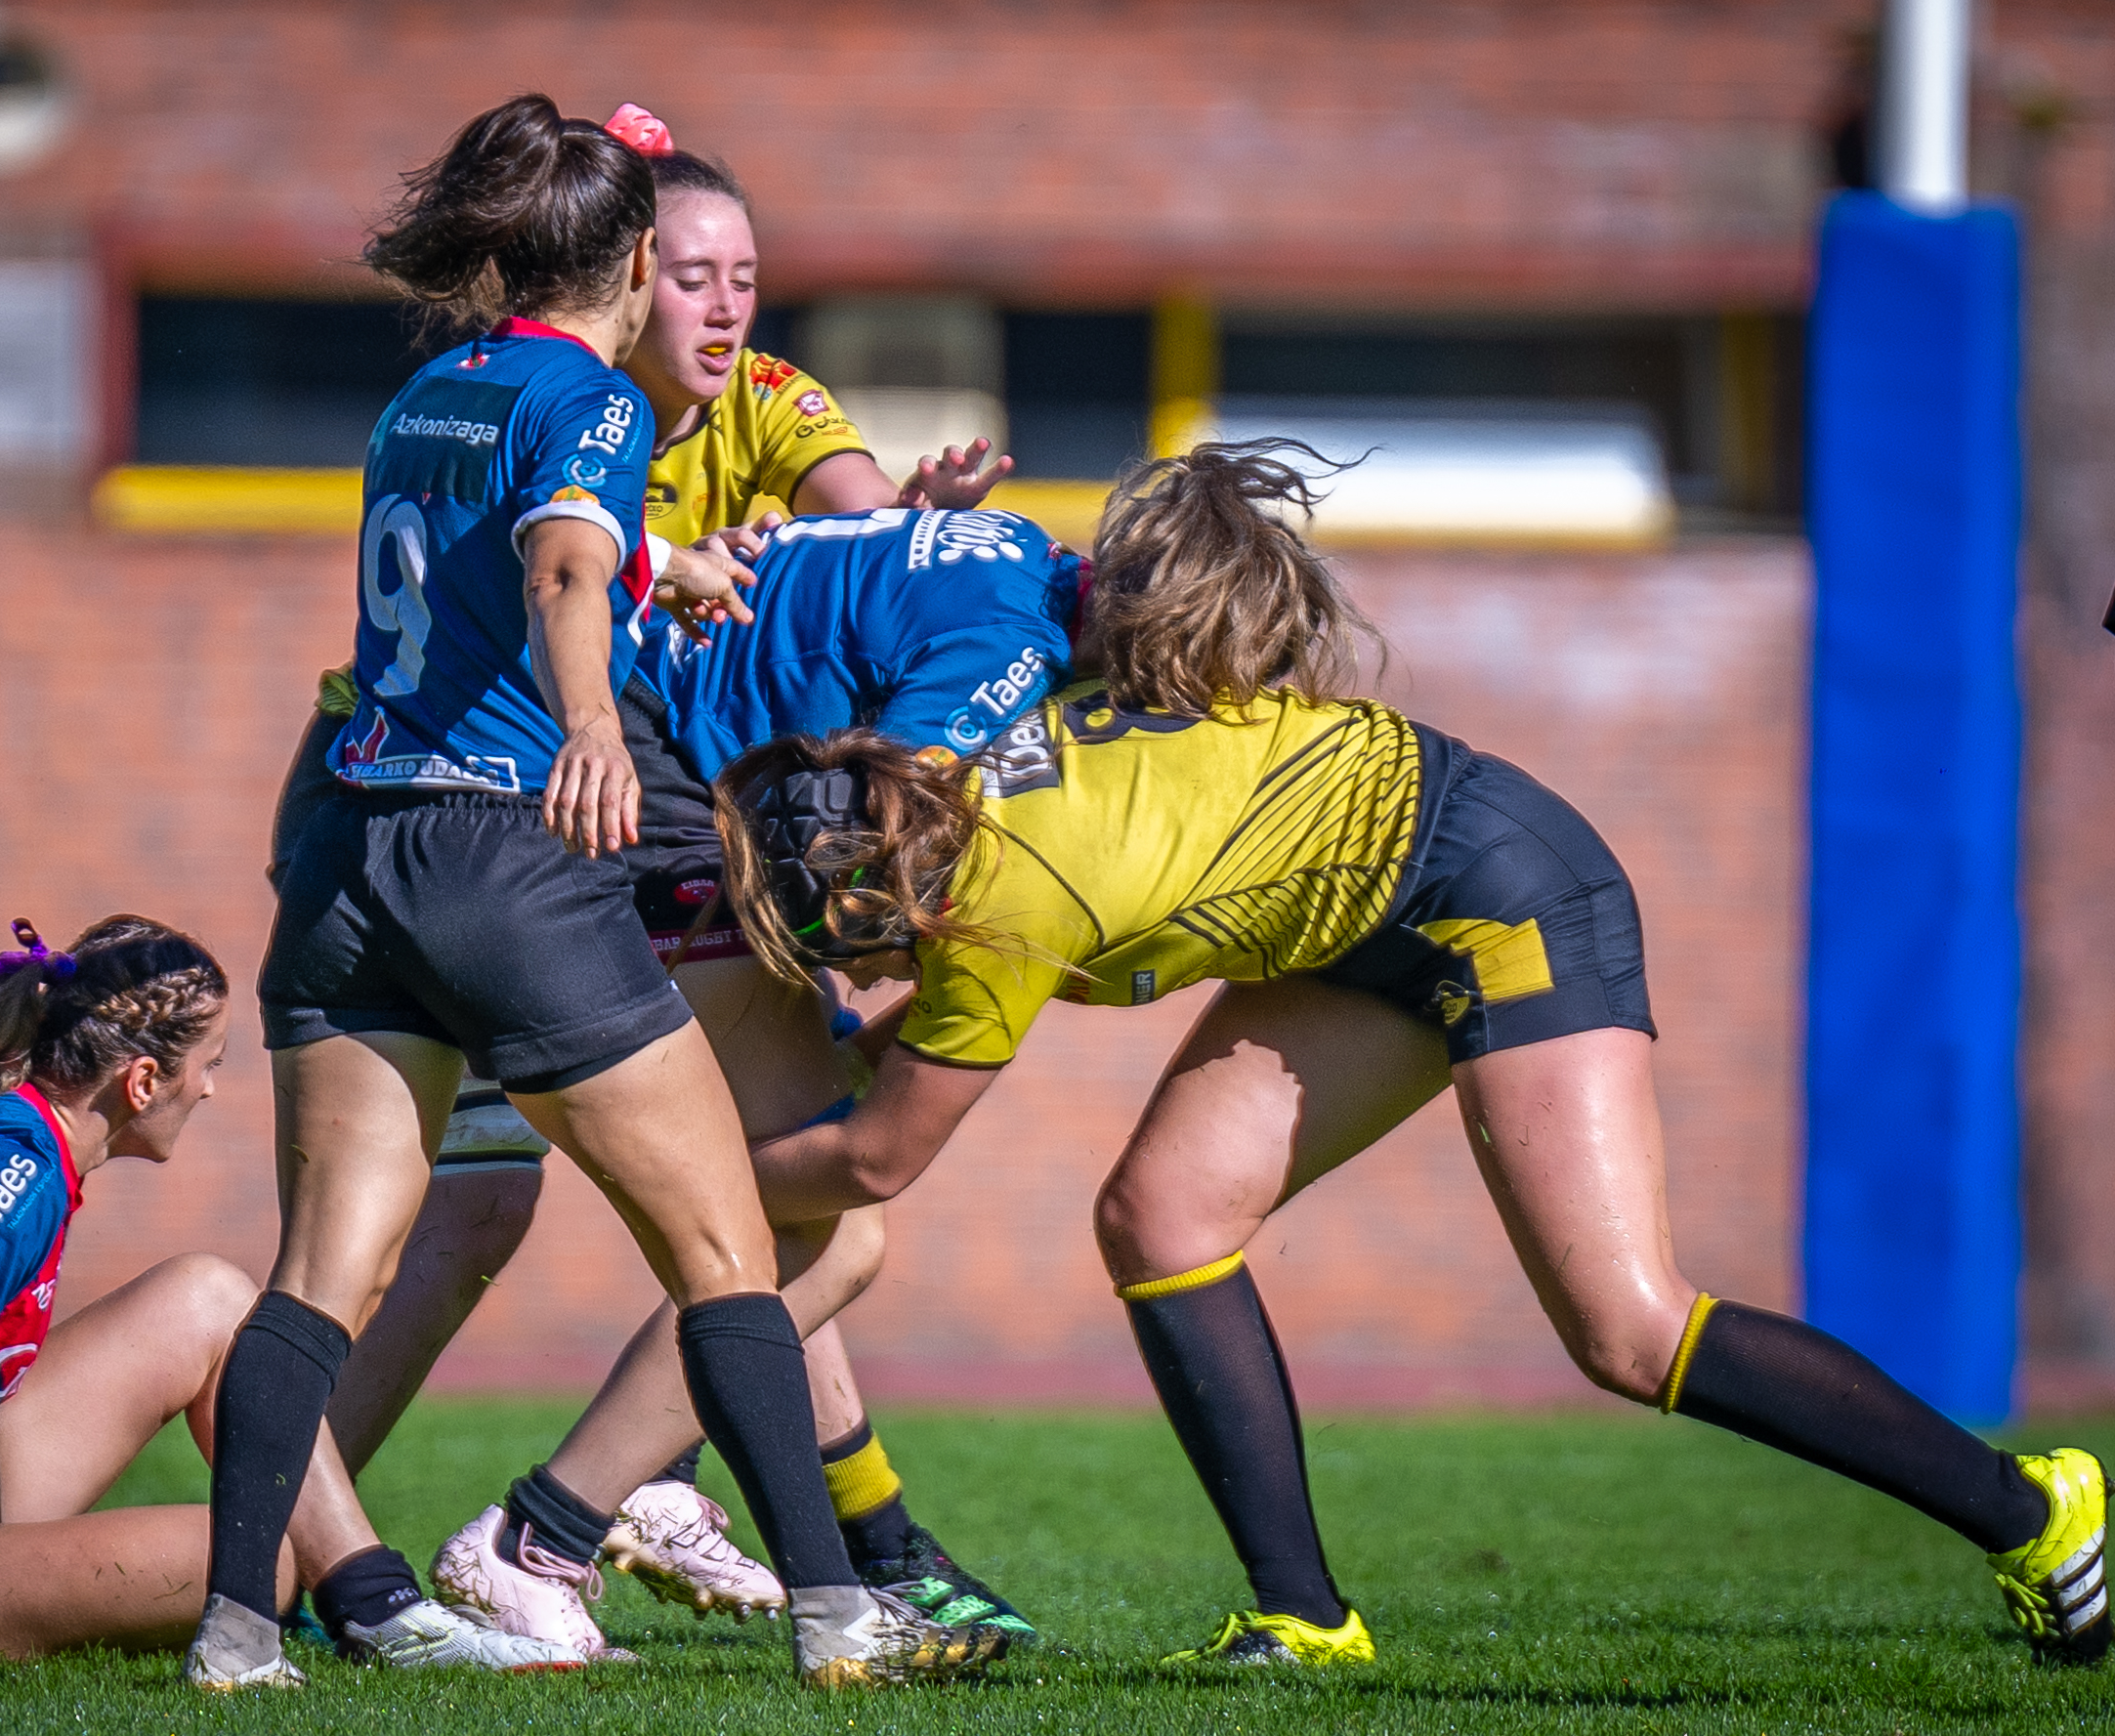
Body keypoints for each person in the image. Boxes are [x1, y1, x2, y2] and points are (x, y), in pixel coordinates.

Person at [703, 441, 2110, 1672]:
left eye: (827, 941)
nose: (842, 973)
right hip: (1360, 920)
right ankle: (1304, 1617)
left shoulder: (1004, 903)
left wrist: (687, 1181)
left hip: (1499, 886)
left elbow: (882, 1150)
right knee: (1163, 1215)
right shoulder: (966, 807)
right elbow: (911, 1068)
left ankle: (2037, 1507)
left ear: (877, 886)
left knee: (1629, 1329)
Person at [218, 94, 1007, 1691]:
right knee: (739, 1246)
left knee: (331, 1267)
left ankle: (238, 1628)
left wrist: (679, 567)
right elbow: (566, 559)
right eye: (686, 266)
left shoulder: (433, 389)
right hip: (503, 860)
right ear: (637, 261)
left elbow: (532, 552)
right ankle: (835, 1610)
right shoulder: (594, 397)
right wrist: (592, 716)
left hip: (351, 855)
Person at [0, 916, 577, 1680]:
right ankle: (328, 1605)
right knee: (254, 1571)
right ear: (141, 1081)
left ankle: (373, 1602)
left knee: (211, 1297)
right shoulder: (7, 1180)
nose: (208, 1088)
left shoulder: (15, 1136)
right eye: (206, 1066)